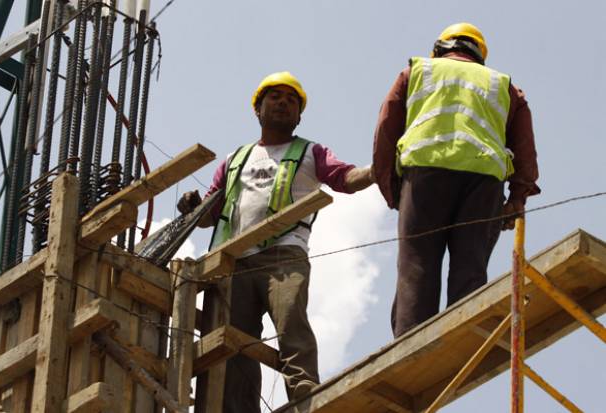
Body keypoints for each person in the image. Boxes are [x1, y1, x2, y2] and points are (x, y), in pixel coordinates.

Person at [178, 71, 374, 412]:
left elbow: (346, 178)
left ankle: (305, 400)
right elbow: (209, 214)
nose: (283, 102)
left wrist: (381, 168)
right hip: (233, 262)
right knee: (232, 345)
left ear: (299, 115)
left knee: (291, 327)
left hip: (283, 256)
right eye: (275, 96)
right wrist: (192, 207)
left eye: (291, 99)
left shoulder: (311, 152)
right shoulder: (234, 160)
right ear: (258, 108)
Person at [372, 23, 540, 338]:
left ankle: (410, 345)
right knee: (470, 267)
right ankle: (464, 340)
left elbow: (386, 126)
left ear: (439, 48)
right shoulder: (503, 85)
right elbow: (525, 148)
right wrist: (516, 199)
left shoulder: (418, 71)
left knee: (417, 265)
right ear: (480, 55)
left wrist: (391, 188)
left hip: (425, 174)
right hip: (483, 179)